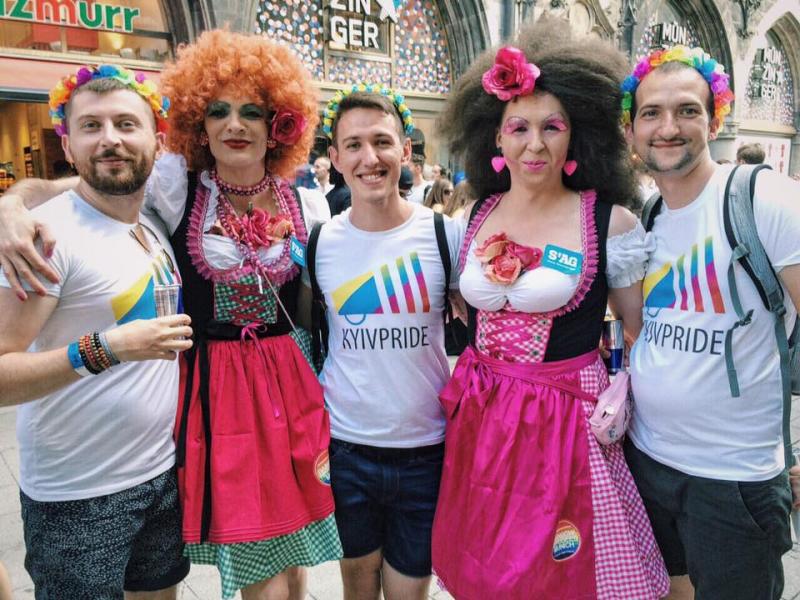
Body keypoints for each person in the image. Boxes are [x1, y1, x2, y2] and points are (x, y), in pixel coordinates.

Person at [0, 31, 343, 600]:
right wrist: (10, 203)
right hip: (220, 389)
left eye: (251, 111)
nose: (234, 124)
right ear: (196, 125)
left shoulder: (304, 202)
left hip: (292, 385)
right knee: (257, 555)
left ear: (279, 123)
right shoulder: (175, 188)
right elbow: (87, 185)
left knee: (296, 542)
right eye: (218, 111)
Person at [429, 19, 669, 599]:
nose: (534, 143)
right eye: (519, 127)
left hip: (565, 422)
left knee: (560, 574)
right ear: (496, 138)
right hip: (483, 417)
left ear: (576, 137)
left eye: (551, 126)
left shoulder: (610, 221)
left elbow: (638, 335)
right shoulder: (472, 217)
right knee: (488, 566)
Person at [0, 66, 193, 599]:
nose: (110, 139)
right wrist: (104, 349)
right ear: (68, 142)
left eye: (126, 124)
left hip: (158, 475)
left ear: (157, 139)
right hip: (76, 495)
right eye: (91, 126)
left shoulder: (148, 221)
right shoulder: (46, 238)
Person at [622, 45, 800, 600]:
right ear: (630, 130)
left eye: (687, 110)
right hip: (647, 462)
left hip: (733, 483)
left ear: (715, 118)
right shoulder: (646, 215)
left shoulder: (763, 199)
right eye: (651, 113)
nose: (667, 127)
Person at [314, 84, 462, 600]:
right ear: (334, 158)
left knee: (408, 592)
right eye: (352, 145)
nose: (368, 158)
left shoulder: (446, 235)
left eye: (381, 142)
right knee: (357, 588)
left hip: (426, 449)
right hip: (347, 449)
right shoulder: (321, 240)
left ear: (405, 150)